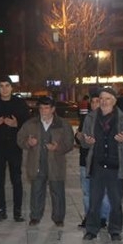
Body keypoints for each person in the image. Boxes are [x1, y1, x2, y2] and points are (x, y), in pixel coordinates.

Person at [79, 86, 123, 240]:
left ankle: (115, 230)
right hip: (97, 165)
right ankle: (91, 229)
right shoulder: (91, 118)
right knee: (94, 201)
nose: (104, 102)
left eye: (107, 99)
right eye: (101, 99)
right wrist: (87, 141)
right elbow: (84, 143)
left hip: (116, 166)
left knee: (116, 201)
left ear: (114, 101)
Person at [17, 95, 74, 227]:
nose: (43, 111)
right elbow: (20, 139)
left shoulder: (63, 124)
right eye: (41, 108)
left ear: (53, 109)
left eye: (46, 108)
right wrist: (28, 143)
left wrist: (58, 147)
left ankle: (58, 218)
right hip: (37, 163)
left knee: (58, 191)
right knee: (36, 190)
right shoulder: (31, 124)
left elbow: (69, 143)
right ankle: (35, 216)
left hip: (56, 163)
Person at [0, 76, 30, 222]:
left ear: (11, 87)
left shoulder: (19, 102)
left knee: (16, 179)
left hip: (15, 147)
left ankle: (17, 212)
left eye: (7, 86)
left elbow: (27, 122)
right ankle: (1, 211)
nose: (4, 89)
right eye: (1, 86)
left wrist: (17, 124)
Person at [75, 89, 110, 228]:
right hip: (86, 161)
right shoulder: (86, 118)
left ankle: (102, 218)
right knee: (87, 191)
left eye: (98, 101)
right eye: (93, 102)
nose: (95, 104)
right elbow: (79, 136)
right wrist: (78, 138)